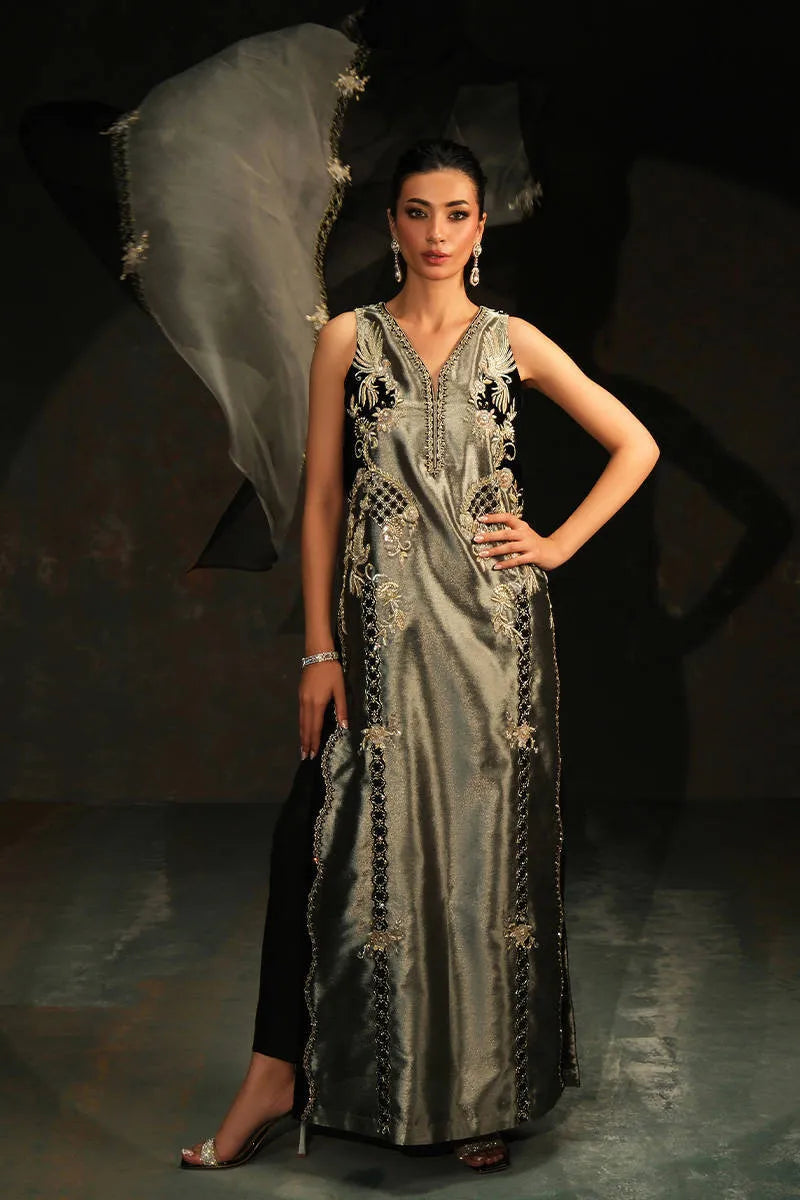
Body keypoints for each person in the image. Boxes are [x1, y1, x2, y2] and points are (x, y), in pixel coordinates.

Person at [178, 137, 660, 1175]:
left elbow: (637, 445)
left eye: (456, 214)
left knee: (480, 860)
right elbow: (321, 500)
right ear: (391, 224)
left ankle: (479, 1095)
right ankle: (278, 1075)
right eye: (416, 212)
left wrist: (556, 544)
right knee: (317, 841)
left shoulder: (512, 342)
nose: (436, 233)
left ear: (480, 228)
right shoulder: (346, 339)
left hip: (493, 638)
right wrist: (317, 648)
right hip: (377, 635)